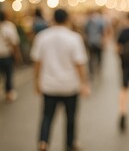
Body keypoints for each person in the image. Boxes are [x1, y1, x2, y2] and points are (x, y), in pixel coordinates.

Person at [31, 9, 90, 151]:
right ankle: (71, 143)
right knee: (70, 117)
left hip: (49, 84)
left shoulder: (42, 37)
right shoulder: (74, 38)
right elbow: (79, 64)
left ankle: (43, 142)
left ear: (53, 19)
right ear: (67, 19)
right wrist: (84, 83)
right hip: (70, 85)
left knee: (47, 116)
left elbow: (37, 62)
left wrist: (37, 81)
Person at [0, 10, 22, 103]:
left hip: (5, 55)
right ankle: (9, 93)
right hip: (6, 55)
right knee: (8, 75)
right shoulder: (9, 26)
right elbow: (14, 43)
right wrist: (17, 56)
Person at [84, 9, 106, 79]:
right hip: (98, 41)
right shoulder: (100, 21)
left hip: (92, 41)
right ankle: (97, 69)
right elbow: (103, 31)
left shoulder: (88, 21)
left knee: (92, 57)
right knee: (98, 56)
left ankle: (92, 71)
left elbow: (85, 31)